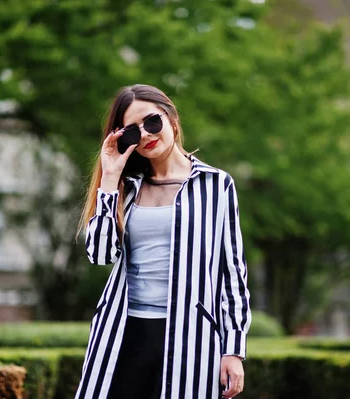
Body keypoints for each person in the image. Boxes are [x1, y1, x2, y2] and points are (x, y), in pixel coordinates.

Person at [76, 84, 251, 399]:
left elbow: (233, 275)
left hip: (192, 337)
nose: (144, 135)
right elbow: (100, 255)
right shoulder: (125, 187)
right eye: (132, 132)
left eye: (151, 122)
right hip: (124, 332)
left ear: (172, 119)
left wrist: (234, 350)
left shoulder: (216, 186)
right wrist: (110, 178)